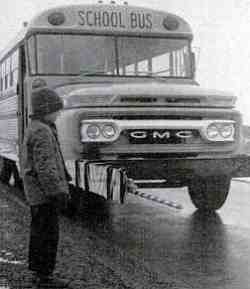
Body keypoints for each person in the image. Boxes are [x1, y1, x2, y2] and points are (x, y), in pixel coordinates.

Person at [21, 88, 71, 288]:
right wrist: (57, 193)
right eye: (57, 109)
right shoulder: (43, 130)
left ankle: (39, 273)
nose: (59, 114)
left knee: (39, 233)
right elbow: (46, 167)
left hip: (36, 193)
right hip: (44, 195)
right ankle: (44, 277)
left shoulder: (34, 127)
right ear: (47, 109)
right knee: (48, 235)